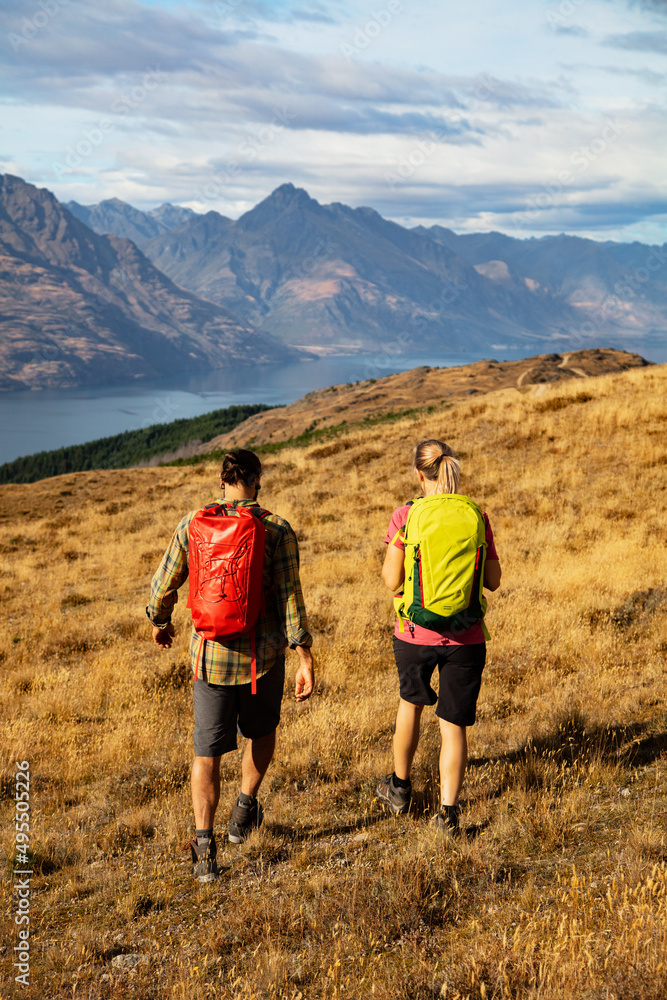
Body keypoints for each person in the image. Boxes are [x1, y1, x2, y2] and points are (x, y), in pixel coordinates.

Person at [146, 449, 314, 882]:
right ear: (258, 479)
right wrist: (304, 655)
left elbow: (164, 583)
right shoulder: (276, 529)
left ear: (222, 481)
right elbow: (290, 599)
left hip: (209, 660)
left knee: (206, 754)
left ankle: (204, 850)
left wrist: (160, 621)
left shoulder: (193, 523)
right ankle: (243, 811)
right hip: (263, 662)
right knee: (261, 733)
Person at [376, 439, 501, 833]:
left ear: (419, 473)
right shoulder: (476, 515)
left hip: (415, 633)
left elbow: (391, 579)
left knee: (410, 706)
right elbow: (494, 580)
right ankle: (448, 814)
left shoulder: (405, 516)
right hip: (467, 637)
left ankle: (399, 789)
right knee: (453, 726)